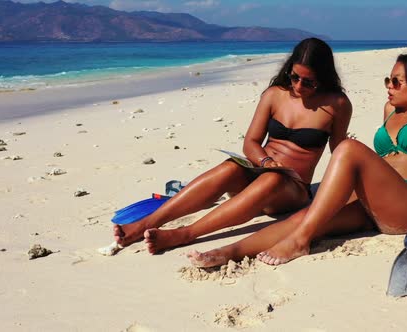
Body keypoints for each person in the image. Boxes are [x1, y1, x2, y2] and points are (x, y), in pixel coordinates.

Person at [188, 53, 407, 267]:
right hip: (375, 199)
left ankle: (300, 243)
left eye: (396, 82)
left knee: (347, 151)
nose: (388, 87)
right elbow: (384, 162)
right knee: (306, 218)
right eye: (387, 80)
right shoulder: (389, 110)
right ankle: (228, 252)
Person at [113, 38, 352, 254]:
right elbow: (251, 142)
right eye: (294, 77)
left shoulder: (337, 105)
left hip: (292, 190)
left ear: (323, 78)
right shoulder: (274, 94)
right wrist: (266, 162)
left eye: (308, 82)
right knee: (230, 167)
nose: (299, 86)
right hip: (260, 170)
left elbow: (339, 153)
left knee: (273, 180)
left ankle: (185, 234)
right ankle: (146, 223)